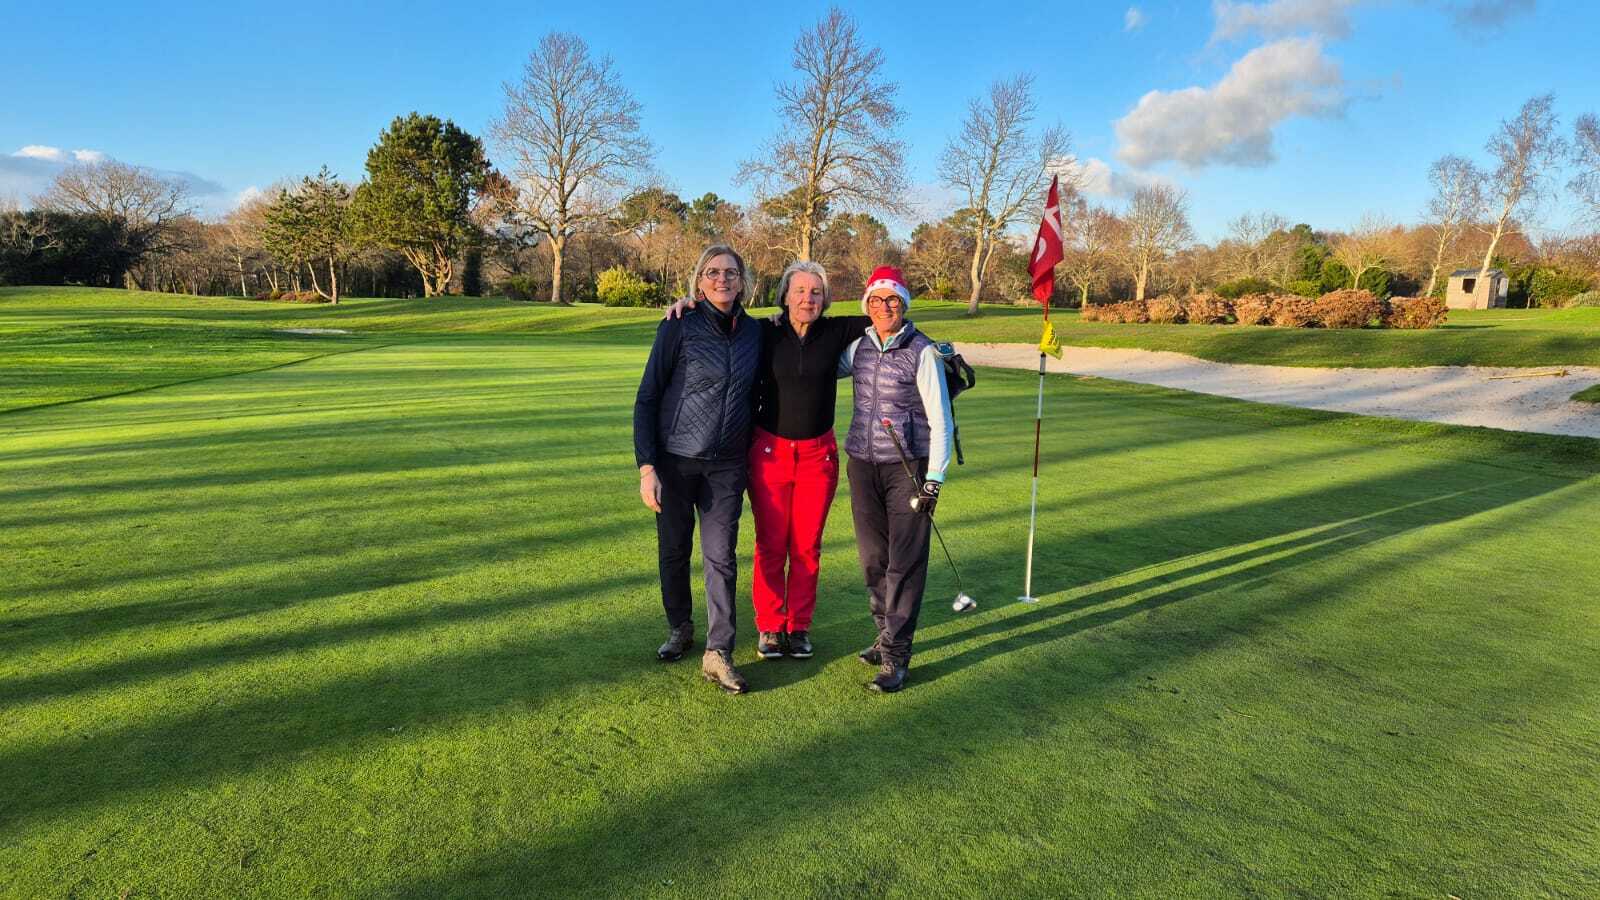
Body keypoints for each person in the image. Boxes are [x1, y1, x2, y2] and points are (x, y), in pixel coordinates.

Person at [667, 262, 871, 662]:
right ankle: (771, 626)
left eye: (816, 292)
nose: (808, 299)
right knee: (771, 544)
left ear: (825, 299)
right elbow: (722, 315)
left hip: (817, 456)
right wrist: (689, 303)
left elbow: (884, 315)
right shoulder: (764, 331)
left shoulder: (837, 331)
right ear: (785, 296)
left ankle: (799, 626)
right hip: (769, 454)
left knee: (807, 547)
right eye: (800, 291)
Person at [633, 245, 763, 694]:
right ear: (699, 280)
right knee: (673, 550)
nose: (721, 279)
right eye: (712, 272)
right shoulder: (678, 325)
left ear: (742, 282)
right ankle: (680, 626)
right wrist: (647, 467)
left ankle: (718, 651)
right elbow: (648, 397)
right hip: (674, 460)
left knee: (721, 557)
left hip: (726, 465)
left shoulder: (756, 332)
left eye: (730, 272)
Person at [839, 265, 954, 693]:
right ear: (867, 305)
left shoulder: (922, 351)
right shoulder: (859, 347)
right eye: (876, 300)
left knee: (905, 562)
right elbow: (813, 361)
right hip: (862, 464)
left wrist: (934, 479)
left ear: (903, 304)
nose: (884, 307)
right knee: (873, 559)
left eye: (892, 300)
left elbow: (941, 420)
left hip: (908, 468)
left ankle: (897, 655)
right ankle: (884, 634)